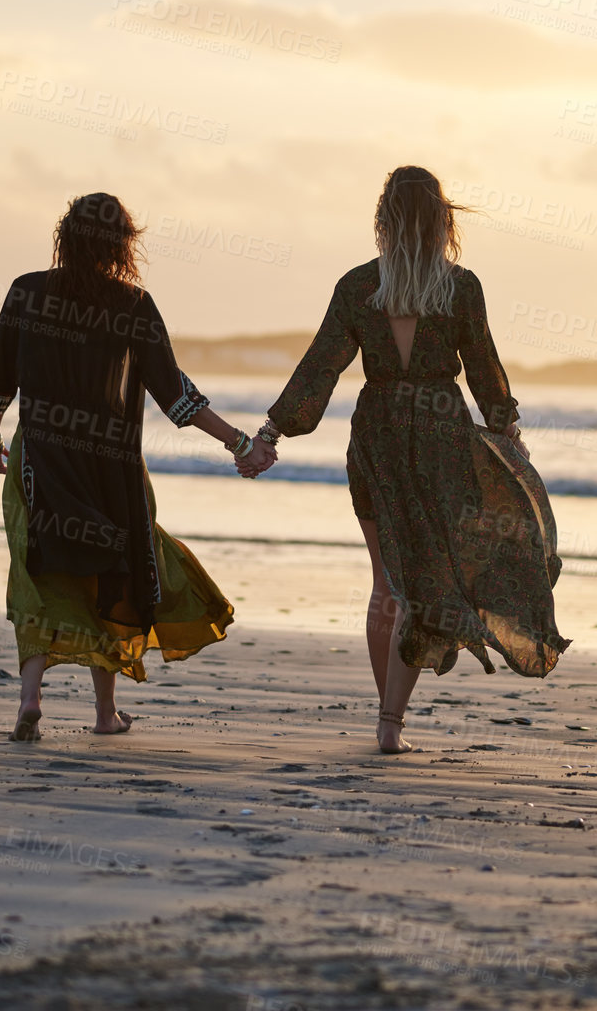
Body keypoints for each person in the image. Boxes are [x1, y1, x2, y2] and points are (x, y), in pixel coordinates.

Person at [238, 166, 568, 753]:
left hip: (378, 437)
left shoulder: (359, 285)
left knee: (386, 582)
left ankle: (388, 718)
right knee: (424, 579)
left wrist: (273, 432)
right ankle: (391, 720)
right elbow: (487, 373)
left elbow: (321, 368)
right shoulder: (460, 287)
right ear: (443, 220)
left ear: (383, 219)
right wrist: (508, 433)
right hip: (441, 436)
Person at [0, 192, 261, 741]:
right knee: (111, 573)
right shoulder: (133, 303)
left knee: (40, 574)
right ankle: (105, 715)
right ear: (123, 245)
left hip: (42, 461)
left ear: (65, 237)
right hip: (115, 467)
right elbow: (176, 395)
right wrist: (239, 442)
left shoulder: (27, 290)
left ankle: (30, 700)